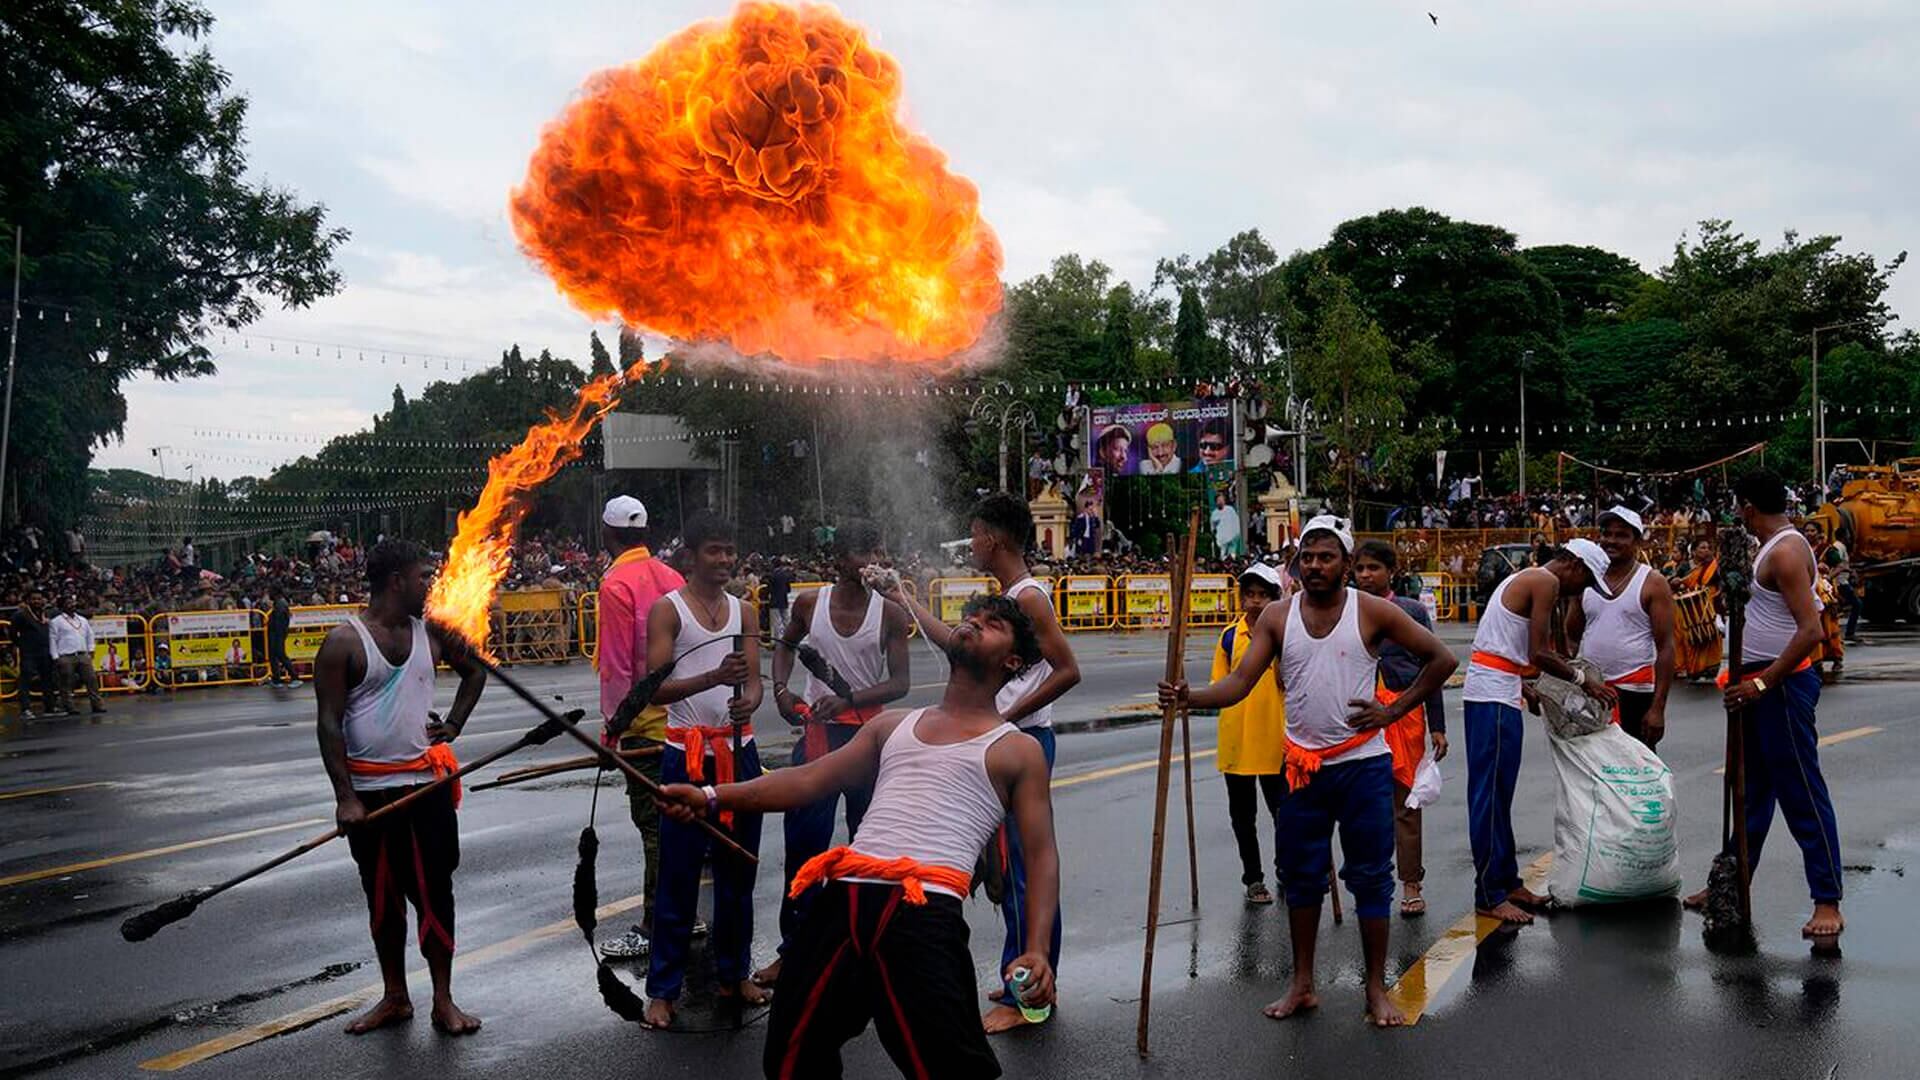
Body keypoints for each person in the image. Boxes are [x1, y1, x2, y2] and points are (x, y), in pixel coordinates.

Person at [657, 594, 1056, 1080]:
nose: (973, 623)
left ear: (1011, 660)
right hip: (842, 902)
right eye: (971, 617)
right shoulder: (893, 725)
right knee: (791, 1057)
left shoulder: (1015, 750)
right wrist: (712, 797)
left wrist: (1035, 948)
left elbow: (1039, 857)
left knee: (953, 1069)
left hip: (923, 912)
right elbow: (807, 780)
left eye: (992, 624)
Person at [1159, 516, 1456, 1027]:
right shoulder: (1277, 615)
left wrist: (1394, 710)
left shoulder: (1374, 611)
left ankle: (1374, 989)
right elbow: (1241, 682)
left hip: (1363, 765)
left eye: (1326, 557)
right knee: (1300, 879)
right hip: (1301, 768)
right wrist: (1191, 698)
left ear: (1344, 564)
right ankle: (1301, 984)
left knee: (1370, 879)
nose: (1315, 566)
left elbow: (1441, 659)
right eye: (1307, 558)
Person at [882, 492, 1079, 1034]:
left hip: (1025, 745)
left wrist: (1007, 715)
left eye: (973, 534)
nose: (970, 544)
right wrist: (906, 598)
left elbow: (1067, 670)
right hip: (1009, 742)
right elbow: (956, 643)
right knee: (1005, 866)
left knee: (1023, 869)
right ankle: (1021, 969)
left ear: (992, 539)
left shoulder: (1029, 597)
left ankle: (1032, 993)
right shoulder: (1008, 597)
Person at [313, 539, 487, 1036]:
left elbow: (475, 672)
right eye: (422, 578)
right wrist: (345, 798)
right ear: (396, 582)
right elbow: (329, 724)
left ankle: (443, 1000)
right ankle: (395, 997)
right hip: (371, 796)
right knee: (383, 897)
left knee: (436, 894)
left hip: (426, 788)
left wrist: (453, 724)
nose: (430, 587)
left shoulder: (433, 632)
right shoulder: (344, 643)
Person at [1684, 471, 1845, 941]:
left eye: (1738, 507)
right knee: (1750, 792)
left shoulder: (1789, 551)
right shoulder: (1769, 548)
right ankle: (1729, 887)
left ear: (1749, 506)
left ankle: (1827, 899)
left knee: (1801, 791)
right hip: (1754, 683)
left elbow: (1811, 631)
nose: (1737, 515)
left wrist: (1761, 684)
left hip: (1781, 686)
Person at [758, 519, 912, 987]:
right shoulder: (810, 603)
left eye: (873, 554)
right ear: (838, 560)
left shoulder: (889, 613)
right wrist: (782, 691)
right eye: (858, 555)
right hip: (819, 740)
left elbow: (900, 684)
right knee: (804, 845)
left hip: (869, 741)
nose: (867, 564)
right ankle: (795, 948)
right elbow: (783, 647)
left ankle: (867, 946)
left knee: (868, 846)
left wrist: (849, 700)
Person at [643, 512, 767, 1030]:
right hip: (685, 756)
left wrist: (749, 703)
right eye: (714, 551)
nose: (724, 560)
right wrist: (713, 678)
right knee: (679, 876)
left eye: (729, 550)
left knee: (740, 871)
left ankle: (734, 973)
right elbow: (654, 686)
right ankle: (663, 992)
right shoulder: (667, 610)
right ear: (690, 557)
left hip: (739, 754)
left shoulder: (745, 611)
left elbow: (755, 683)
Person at [1462, 537, 1614, 924]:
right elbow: (1538, 653)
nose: (1582, 591)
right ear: (1575, 565)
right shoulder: (1545, 581)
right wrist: (1584, 680)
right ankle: (1489, 894)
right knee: (1490, 797)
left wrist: (1526, 689)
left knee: (1500, 794)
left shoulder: (1532, 577)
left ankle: (1506, 880)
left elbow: (1505, 647)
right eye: (1587, 582)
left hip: (1501, 687)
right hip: (1492, 695)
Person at [593, 495, 689, 963]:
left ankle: (655, 924)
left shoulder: (615, 585)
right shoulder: (673, 578)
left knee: (654, 827)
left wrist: (612, 731)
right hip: (683, 721)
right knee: (682, 822)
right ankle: (681, 914)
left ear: (608, 534)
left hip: (645, 725)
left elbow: (615, 667)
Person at [1351, 540, 1448, 918]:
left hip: (1404, 715)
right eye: (1359, 569)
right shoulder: (1345, 610)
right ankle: (1369, 882)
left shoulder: (1410, 611)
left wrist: (1437, 725)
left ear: (1390, 571)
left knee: (1405, 804)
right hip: (1359, 716)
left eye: (1373, 568)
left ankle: (1411, 883)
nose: (1365, 576)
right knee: (1361, 806)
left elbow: (1433, 668)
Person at [1566, 506, 1676, 751]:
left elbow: (1666, 648)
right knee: (1597, 773)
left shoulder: (1653, 583)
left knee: (1636, 775)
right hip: (1592, 692)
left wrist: (1657, 709)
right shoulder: (1585, 581)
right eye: (1606, 534)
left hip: (1635, 691)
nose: (1610, 541)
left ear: (1637, 540)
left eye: (1621, 535)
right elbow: (1571, 640)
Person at [1212, 563, 1287, 905]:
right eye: (1250, 595)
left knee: (1285, 813)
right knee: (1243, 817)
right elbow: (1220, 684)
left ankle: (1287, 869)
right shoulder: (1230, 636)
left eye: (1263, 595)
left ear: (1275, 598)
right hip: (1238, 737)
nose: (1255, 602)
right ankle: (1254, 879)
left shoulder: (1287, 634)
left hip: (1277, 737)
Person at [50, 596, 105, 716]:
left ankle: (97, 705)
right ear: (62, 606)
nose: (72, 605)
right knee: (66, 682)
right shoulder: (56, 621)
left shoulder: (82, 620)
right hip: (65, 655)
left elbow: (90, 635)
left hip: (82, 654)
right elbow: (52, 640)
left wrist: (91, 650)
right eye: (68, 603)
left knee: (91, 679)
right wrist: (55, 657)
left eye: (73, 602)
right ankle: (69, 707)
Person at [12, 591, 55, 718]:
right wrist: (21, 645)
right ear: (28, 601)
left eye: (39, 599)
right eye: (34, 599)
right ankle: (25, 709)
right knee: (25, 680)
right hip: (29, 653)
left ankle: (50, 707)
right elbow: (13, 633)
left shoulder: (46, 613)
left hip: (45, 651)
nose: (37, 601)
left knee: (47, 679)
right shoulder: (20, 615)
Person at [265, 589, 296, 685]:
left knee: (281, 655)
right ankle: (276, 679)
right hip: (276, 634)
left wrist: (279, 636)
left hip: (277, 634)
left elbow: (279, 623)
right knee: (274, 656)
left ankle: (294, 676)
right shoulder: (278, 603)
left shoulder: (280, 605)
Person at [766, 557, 796, 640]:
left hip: (774, 600)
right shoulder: (785, 575)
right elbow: (788, 589)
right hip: (783, 599)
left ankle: (776, 640)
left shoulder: (772, 575)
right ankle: (790, 638)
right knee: (786, 620)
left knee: (775, 622)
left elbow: (770, 588)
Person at [1211, 492, 1244, 558]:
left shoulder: (1230, 510)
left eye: (1222, 500)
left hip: (1232, 537)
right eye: (1218, 500)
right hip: (1221, 540)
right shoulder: (1214, 513)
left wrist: (1236, 535)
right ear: (1216, 502)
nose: (1220, 502)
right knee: (1222, 556)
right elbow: (1213, 527)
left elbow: (1236, 522)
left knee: (1232, 555)